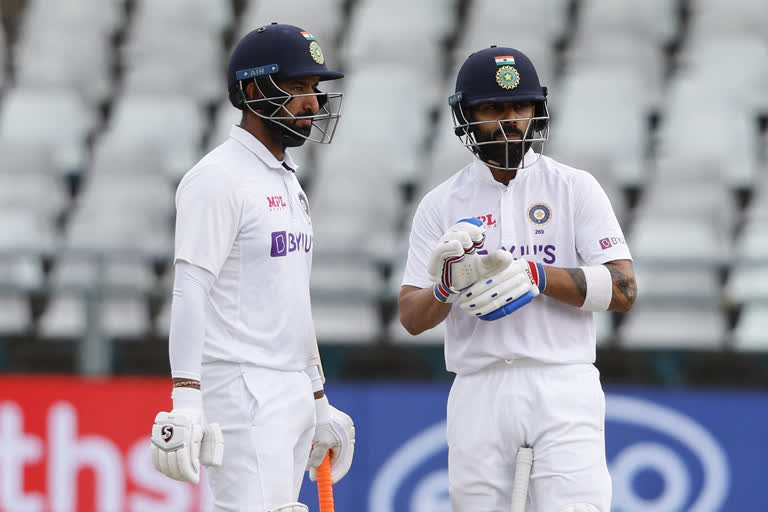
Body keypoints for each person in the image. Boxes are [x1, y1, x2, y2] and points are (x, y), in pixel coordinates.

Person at [399, 46, 636, 512]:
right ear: (467, 115)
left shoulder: (574, 187)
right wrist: (445, 288)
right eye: (493, 108)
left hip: (562, 382)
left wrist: (536, 275)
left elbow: (625, 290)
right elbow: (410, 315)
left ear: (537, 110)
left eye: (521, 106)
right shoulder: (441, 203)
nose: (510, 120)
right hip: (479, 385)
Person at [149, 24, 356, 512]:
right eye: (298, 87)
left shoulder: (287, 182)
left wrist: (317, 397)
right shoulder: (217, 179)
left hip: (287, 386)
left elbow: (292, 302)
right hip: (240, 387)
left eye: (315, 89)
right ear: (251, 90)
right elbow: (190, 290)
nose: (312, 102)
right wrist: (186, 397)